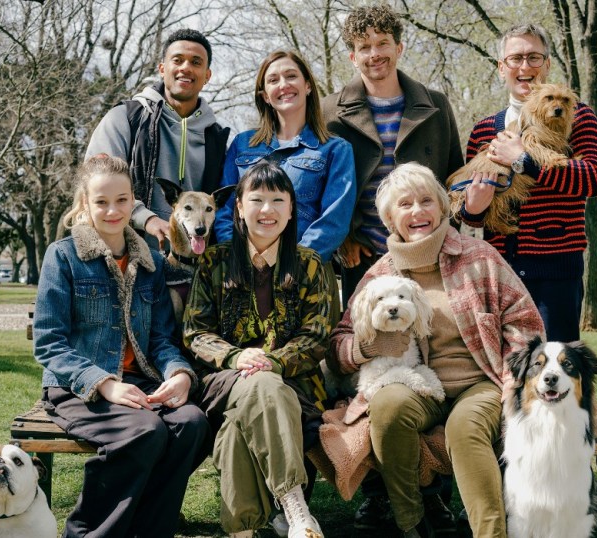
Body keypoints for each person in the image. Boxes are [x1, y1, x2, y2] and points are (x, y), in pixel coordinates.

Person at [330, 163, 544, 538]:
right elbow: (339, 345)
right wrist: (369, 346)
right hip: (415, 388)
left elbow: (525, 325)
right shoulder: (380, 274)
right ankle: (410, 521)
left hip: (479, 383)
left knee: (464, 429)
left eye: (427, 200)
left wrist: (514, 382)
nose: (418, 212)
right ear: (390, 218)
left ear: (443, 207)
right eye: (405, 204)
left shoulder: (478, 257)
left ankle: (490, 533)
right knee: (388, 406)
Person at [33, 154, 211, 537]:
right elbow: (49, 343)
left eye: (122, 200)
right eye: (101, 201)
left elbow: (162, 340)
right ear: (85, 204)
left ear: (133, 203)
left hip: (139, 383)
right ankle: (87, 533)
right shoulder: (63, 257)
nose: (113, 210)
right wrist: (105, 384)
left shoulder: (150, 265)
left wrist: (179, 374)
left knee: (192, 422)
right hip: (77, 388)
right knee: (147, 430)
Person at [184, 162, 330, 538]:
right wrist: (235, 356)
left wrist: (274, 360)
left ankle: (242, 530)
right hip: (224, 381)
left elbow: (317, 335)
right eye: (257, 200)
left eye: (278, 200)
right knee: (261, 385)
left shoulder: (311, 265)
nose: (267, 210)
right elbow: (196, 332)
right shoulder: (214, 262)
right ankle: (295, 507)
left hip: (294, 383)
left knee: (238, 426)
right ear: (238, 208)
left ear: (292, 209)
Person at [460, 23, 597, 342]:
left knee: (556, 372)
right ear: (502, 68)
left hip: (555, 271)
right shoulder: (484, 129)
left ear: (548, 64)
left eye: (534, 57)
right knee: (505, 372)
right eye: (515, 58)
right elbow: (471, 212)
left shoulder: (576, 115)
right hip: (500, 270)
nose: (524, 67)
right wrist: (472, 209)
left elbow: (595, 178)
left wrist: (523, 161)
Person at [321, 4, 464, 310]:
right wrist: (344, 238)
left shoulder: (435, 105)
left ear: (398, 47)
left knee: (432, 340)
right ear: (353, 57)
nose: (375, 54)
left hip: (427, 249)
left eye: (383, 43)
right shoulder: (328, 112)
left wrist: (448, 240)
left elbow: (455, 180)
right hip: (364, 254)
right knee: (372, 345)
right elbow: (324, 187)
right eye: (364, 47)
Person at [215, 50, 356, 322]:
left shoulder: (335, 149)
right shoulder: (242, 145)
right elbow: (224, 210)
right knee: (246, 359)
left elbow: (334, 220)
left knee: (303, 361)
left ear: (307, 86)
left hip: (305, 274)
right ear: (265, 95)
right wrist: (241, 258)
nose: (283, 85)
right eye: (273, 80)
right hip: (244, 274)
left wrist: (291, 264)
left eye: (291, 76)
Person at [86, 28, 229, 250]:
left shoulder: (216, 138)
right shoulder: (125, 118)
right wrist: (145, 218)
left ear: (207, 75)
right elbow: (96, 186)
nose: (186, 67)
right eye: (178, 60)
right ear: (162, 69)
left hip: (191, 269)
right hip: (127, 258)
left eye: (196, 62)